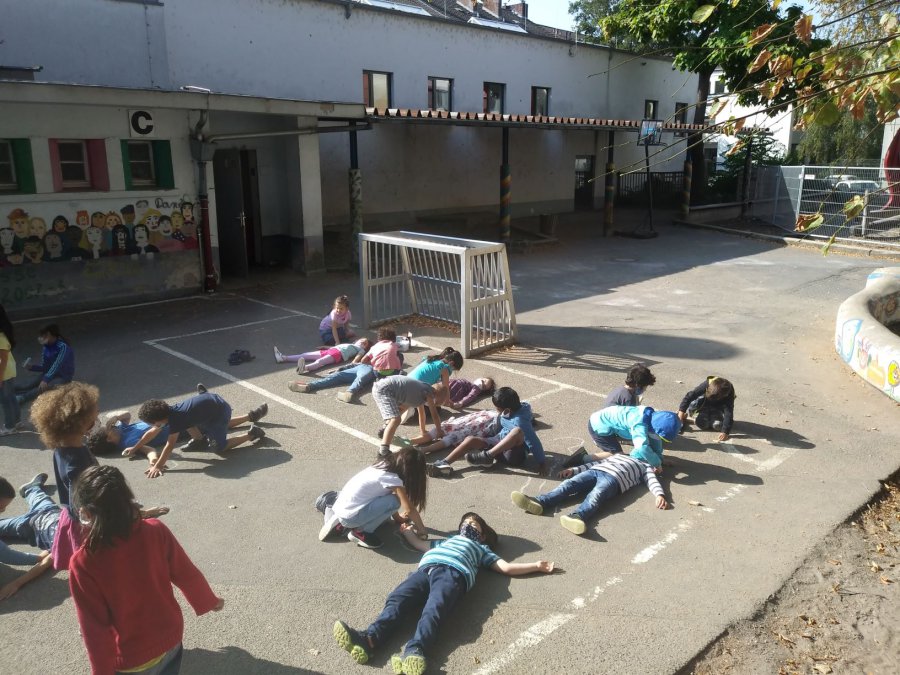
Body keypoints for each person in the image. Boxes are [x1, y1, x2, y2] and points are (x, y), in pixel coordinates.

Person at [332, 512, 554, 674]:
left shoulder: (481, 549)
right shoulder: (446, 541)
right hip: (424, 570)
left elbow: (505, 567)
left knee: (434, 609)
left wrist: (536, 565)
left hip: (453, 574)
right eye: (465, 523)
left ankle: (415, 650)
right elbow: (419, 544)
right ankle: (370, 639)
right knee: (397, 599)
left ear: (482, 535)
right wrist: (407, 532)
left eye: (473, 524)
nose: (468, 525)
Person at [68, 465, 224, 675]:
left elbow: (94, 628)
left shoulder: (83, 562)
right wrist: (209, 601)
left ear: (86, 513)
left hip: (131, 659)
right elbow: (186, 573)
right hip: (170, 638)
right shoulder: (155, 530)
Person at [511, 451, 670, 535]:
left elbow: (652, 481)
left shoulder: (645, 467)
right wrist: (574, 470)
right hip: (595, 471)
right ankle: (540, 502)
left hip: (614, 480)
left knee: (596, 495)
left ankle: (577, 516)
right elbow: (596, 463)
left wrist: (659, 495)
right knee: (568, 484)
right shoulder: (619, 456)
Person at [137, 388, 269, 478]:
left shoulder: (175, 420)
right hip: (212, 405)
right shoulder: (170, 411)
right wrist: (135, 447)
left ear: (158, 419)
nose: (153, 426)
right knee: (199, 425)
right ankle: (200, 440)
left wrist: (158, 466)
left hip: (219, 411)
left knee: (218, 447)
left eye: (152, 423)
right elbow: (153, 431)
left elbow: (169, 445)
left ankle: (252, 434)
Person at [319, 447, 428, 550]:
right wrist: (422, 531)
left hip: (344, 505)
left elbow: (387, 495)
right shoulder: (392, 479)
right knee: (395, 501)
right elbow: (409, 509)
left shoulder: (384, 464)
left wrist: (398, 518)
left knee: (390, 505)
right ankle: (360, 532)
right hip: (350, 516)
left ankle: (340, 520)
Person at [428, 387, 546, 477]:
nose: (496, 410)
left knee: (517, 431)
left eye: (497, 408)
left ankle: (487, 456)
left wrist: (542, 463)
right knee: (470, 439)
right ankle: (444, 463)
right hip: (498, 443)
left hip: (513, 455)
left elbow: (534, 442)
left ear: (507, 409)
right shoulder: (516, 407)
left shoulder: (521, 422)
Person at [288, 327, 402, 402]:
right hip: (365, 368)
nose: (362, 342)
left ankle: (312, 386)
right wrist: (340, 369)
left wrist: (344, 368)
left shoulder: (372, 349)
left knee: (351, 378)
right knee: (345, 377)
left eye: (364, 343)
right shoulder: (392, 349)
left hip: (368, 368)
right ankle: (309, 386)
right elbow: (356, 363)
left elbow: (361, 361)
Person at [563, 405, 681, 471]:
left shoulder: (652, 418)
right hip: (598, 426)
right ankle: (582, 458)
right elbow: (642, 447)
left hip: (608, 422)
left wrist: (660, 458)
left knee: (644, 441)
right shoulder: (639, 425)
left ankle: (607, 443)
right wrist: (656, 463)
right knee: (617, 455)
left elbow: (656, 440)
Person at [0, 474, 55, 600]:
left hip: (43, 516)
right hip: (38, 520)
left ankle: (32, 488)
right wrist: (37, 558)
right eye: (0, 508)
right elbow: (6, 555)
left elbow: (50, 559)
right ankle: (32, 488)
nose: (3, 511)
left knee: (40, 500)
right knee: (41, 501)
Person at [372, 375, 443, 458]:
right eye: (436, 402)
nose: (435, 404)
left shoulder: (422, 392)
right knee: (396, 419)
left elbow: (421, 413)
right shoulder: (429, 393)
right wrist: (439, 430)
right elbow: (435, 415)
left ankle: (385, 429)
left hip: (385, 387)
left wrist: (423, 430)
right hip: (384, 390)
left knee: (404, 408)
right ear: (435, 394)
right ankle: (383, 451)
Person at [84, 410, 173, 465]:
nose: (112, 426)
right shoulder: (128, 443)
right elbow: (149, 450)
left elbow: (127, 414)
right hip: (172, 426)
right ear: (109, 438)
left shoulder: (120, 430)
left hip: (164, 416)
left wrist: (116, 417)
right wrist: (153, 459)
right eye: (109, 429)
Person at [15, 323, 75, 404]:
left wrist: (46, 379)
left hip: (63, 376)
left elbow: (57, 364)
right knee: (28, 384)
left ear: (50, 334)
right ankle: (7, 391)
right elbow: (45, 367)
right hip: (49, 373)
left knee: (43, 387)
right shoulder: (46, 347)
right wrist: (32, 367)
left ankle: (22, 398)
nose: (40, 337)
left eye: (43, 335)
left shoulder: (63, 347)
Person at [410, 409, 499, 455]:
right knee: (448, 437)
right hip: (469, 425)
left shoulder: (494, 415)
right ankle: (419, 447)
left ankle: (414, 444)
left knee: (442, 433)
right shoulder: (497, 417)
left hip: (467, 425)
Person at [677, 376, 736, 441]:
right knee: (702, 424)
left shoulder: (729, 392)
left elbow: (729, 412)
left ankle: (694, 418)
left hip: (717, 407)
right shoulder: (707, 384)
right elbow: (689, 397)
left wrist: (725, 432)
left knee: (718, 425)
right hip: (702, 404)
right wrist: (680, 416)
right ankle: (694, 416)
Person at [274, 337, 370, 374]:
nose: (363, 342)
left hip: (338, 354)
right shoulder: (350, 344)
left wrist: (352, 363)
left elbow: (357, 357)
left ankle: (304, 368)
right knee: (306, 355)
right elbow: (336, 347)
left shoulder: (360, 350)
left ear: (365, 348)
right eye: (362, 340)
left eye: (365, 343)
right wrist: (325, 347)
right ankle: (283, 358)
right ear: (357, 340)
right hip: (331, 350)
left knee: (320, 362)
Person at [0, 304, 23, 434]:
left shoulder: (0, 337)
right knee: (11, 397)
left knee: (5, 400)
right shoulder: (4, 334)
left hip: (4, 372)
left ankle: (9, 426)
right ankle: (17, 421)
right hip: (8, 371)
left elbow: (2, 360)